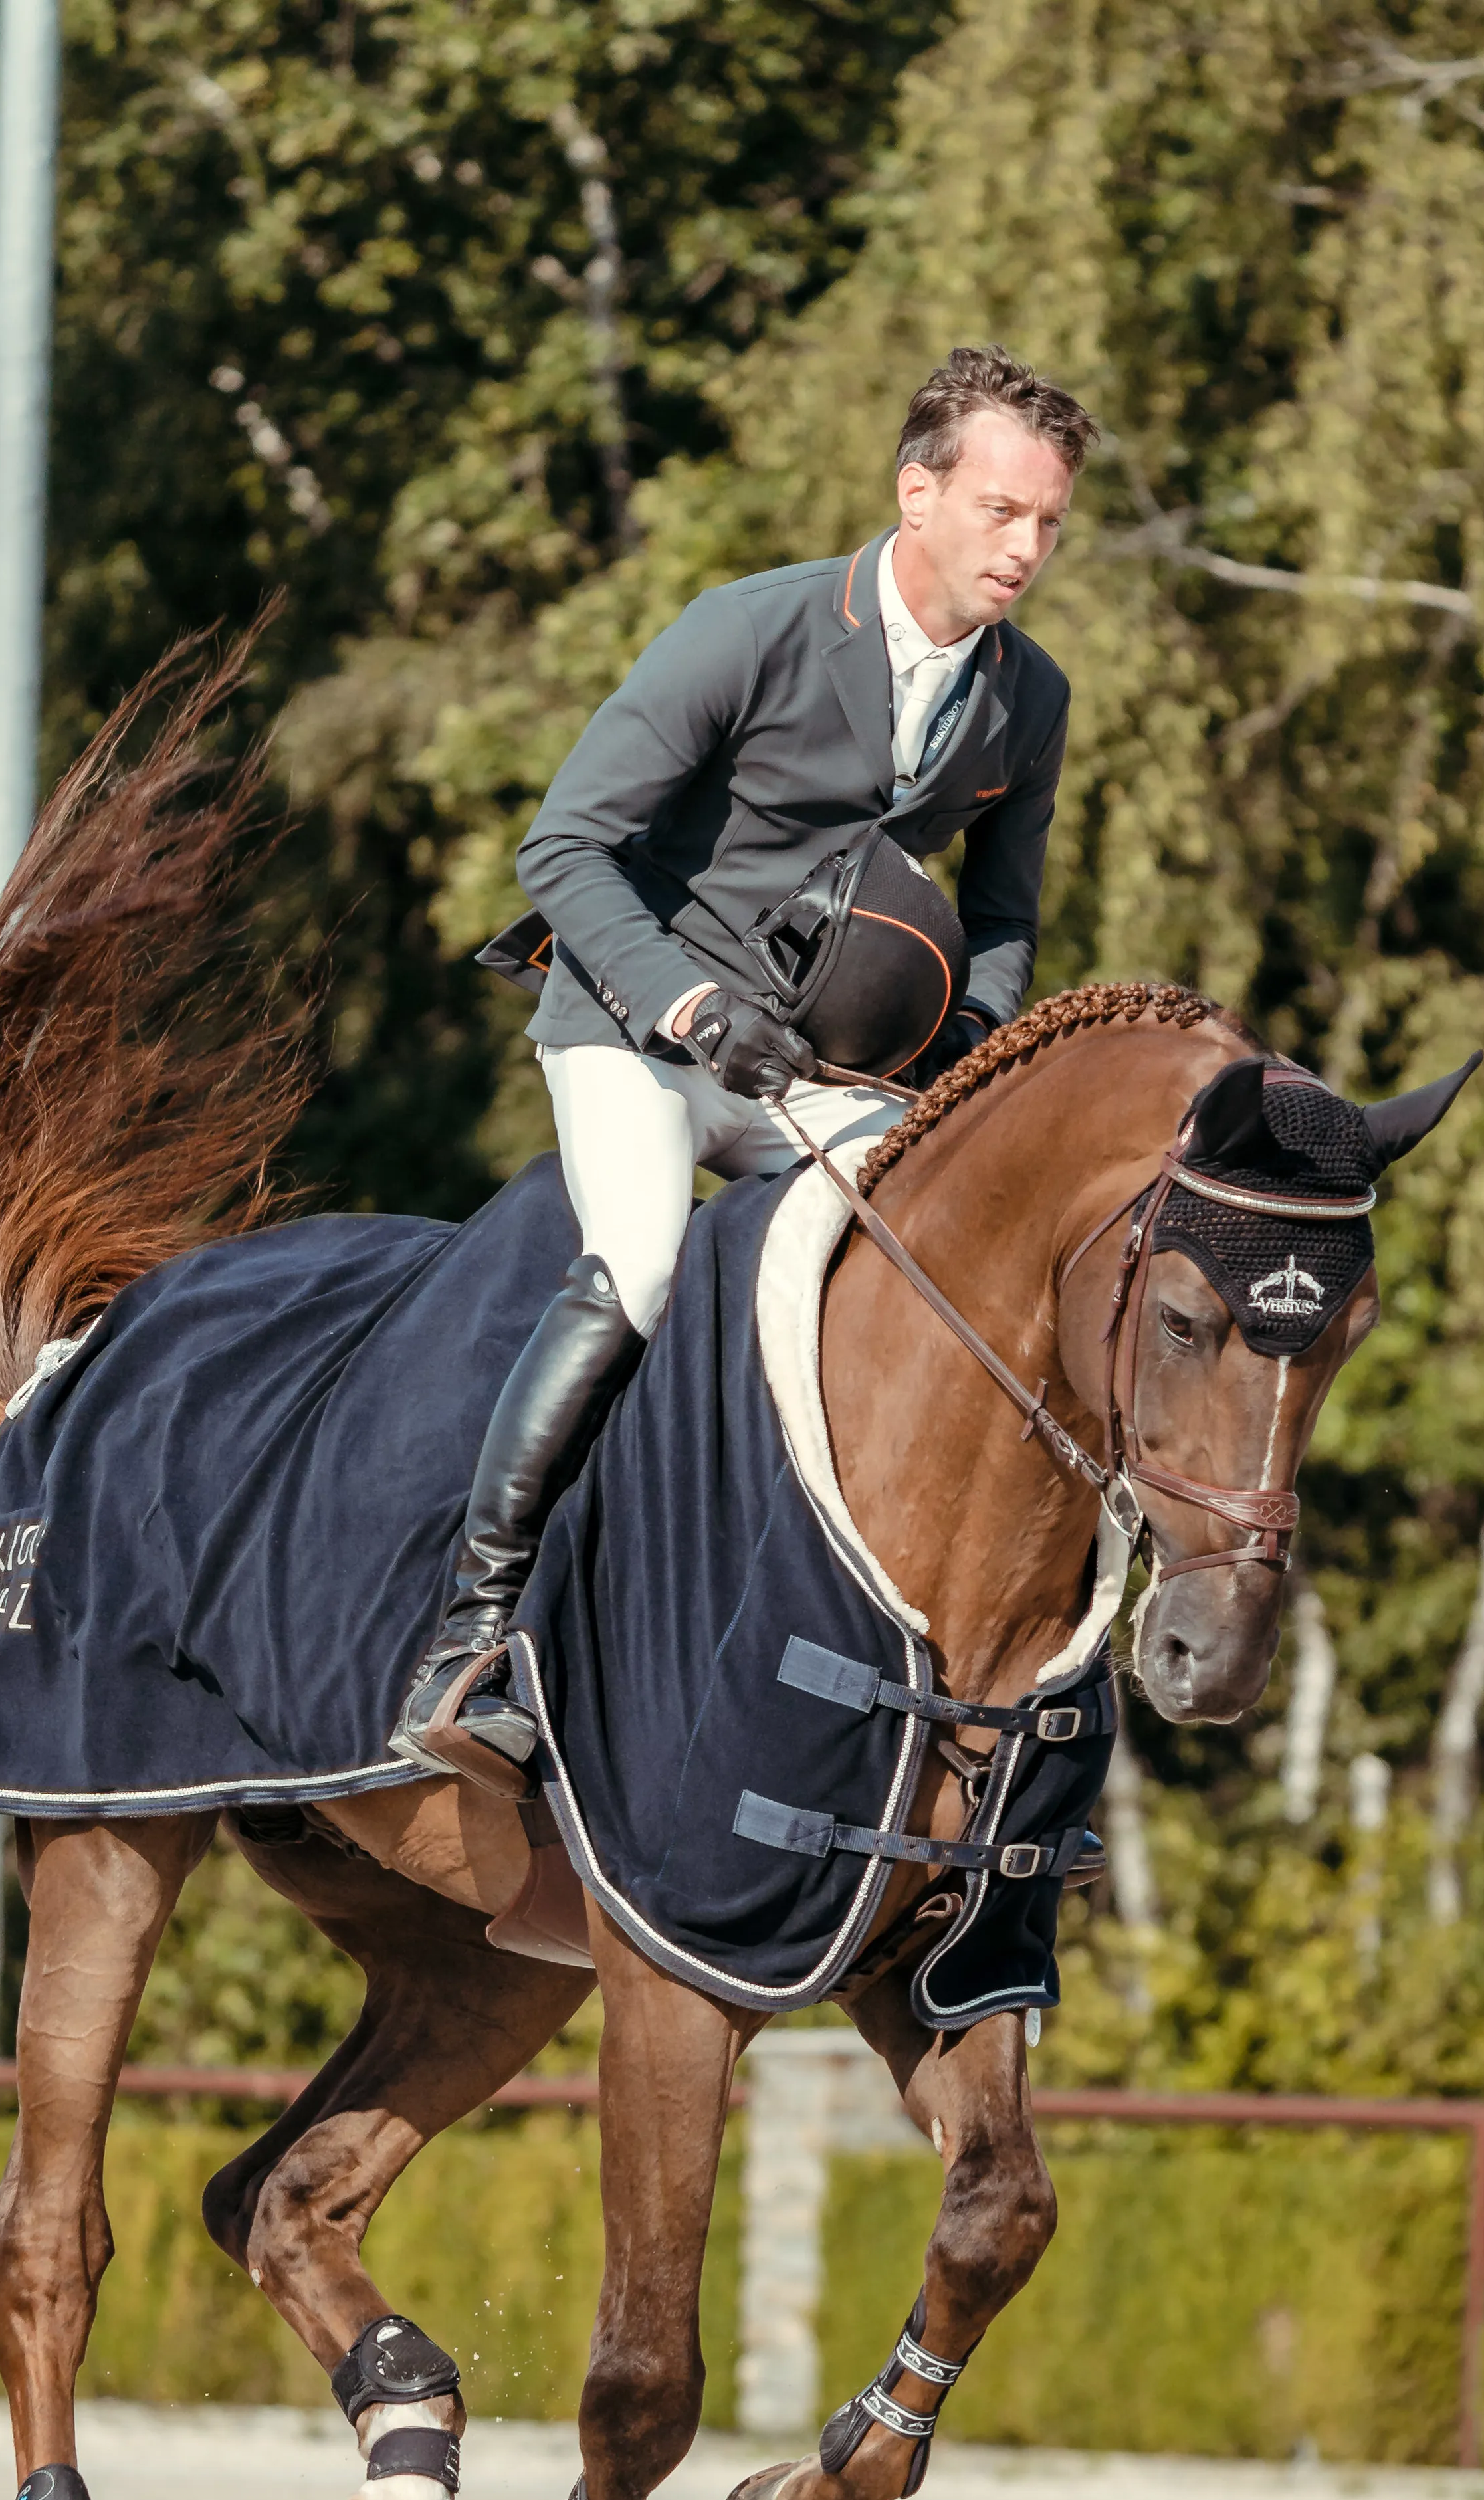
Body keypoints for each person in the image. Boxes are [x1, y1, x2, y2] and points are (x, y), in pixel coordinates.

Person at [393, 340, 1097, 1781]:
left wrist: (957, 1065)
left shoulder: (1028, 699)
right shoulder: (754, 627)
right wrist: (688, 1009)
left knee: (949, 1276)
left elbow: (1008, 921)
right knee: (646, 1264)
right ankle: (472, 1637)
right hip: (632, 1028)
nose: (1025, 548)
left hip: (820, 1072)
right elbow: (562, 847)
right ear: (917, 493)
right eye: (999, 512)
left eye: (1047, 524)